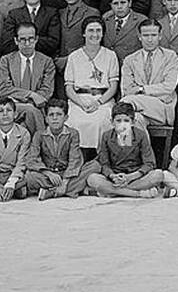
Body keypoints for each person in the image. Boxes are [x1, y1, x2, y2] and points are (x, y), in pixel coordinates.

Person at [64, 15, 120, 151]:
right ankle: (76, 159)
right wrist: (80, 102)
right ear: (84, 33)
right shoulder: (74, 56)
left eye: (98, 30)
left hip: (103, 100)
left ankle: (100, 159)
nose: (94, 34)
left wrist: (98, 103)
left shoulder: (110, 55)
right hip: (79, 100)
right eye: (90, 30)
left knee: (102, 121)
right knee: (74, 121)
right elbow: (69, 87)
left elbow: (113, 87)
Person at [86, 101, 164, 198]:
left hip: (135, 176)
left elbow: (149, 163)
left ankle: (113, 192)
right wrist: (112, 176)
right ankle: (136, 193)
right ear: (112, 122)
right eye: (118, 121)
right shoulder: (106, 136)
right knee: (92, 179)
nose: (122, 125)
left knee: (158, 175)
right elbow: (104, 163)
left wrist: (130, 177)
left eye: (126, 121)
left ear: (133, 123)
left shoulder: (141, 135)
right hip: (115, 177)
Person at [26, 98, 97, 200]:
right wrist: (48, 173)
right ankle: (72, 190)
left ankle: (52, 192)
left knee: (95, 166)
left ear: (66, 118)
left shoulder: (73, 133)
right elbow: (32, 159)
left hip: (68, 173)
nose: (55, 118)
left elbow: (75, 159)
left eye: (59, 115)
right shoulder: (39, 135)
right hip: (49, 175)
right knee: (30, 177)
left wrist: (65, 182)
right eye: (51, 115)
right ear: (46, 119)